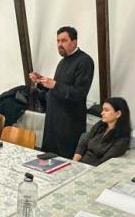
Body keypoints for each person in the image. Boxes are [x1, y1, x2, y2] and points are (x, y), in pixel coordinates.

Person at [29, 26, 95, 158]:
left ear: (74, 42)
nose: (59, 44)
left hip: (69, 125)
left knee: (65, 163)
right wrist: (41, 81)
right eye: (58, 41)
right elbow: (58, 89)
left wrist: (55, 85)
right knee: (49, 161)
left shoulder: (84, 61)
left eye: (64, 40)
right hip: (54, 122)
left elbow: (79, 93)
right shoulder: (63, 62)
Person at [73, 97, 131, 165]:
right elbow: (84, 141)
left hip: (95, 167)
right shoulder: (100, 125)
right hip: (81, 163)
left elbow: (105, 162)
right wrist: (74, 161)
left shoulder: (122, 139)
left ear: (118, 114)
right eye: (103, 110)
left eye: (106, 110)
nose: (102, 113)